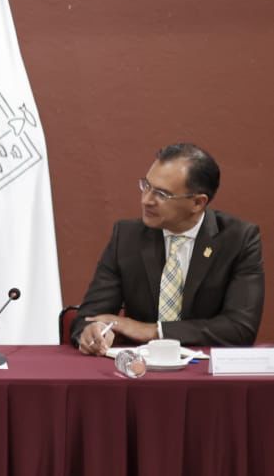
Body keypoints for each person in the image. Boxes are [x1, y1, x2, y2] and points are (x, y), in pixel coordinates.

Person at [73, 143, 264, 354]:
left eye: (162, 194)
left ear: (198, 203)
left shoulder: (238, 239)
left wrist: (154, 331)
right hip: (140, 366)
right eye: (146, 186)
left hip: (205, 366)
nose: (146, 200)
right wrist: (95, 330)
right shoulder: (127, 237)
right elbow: (88, 317)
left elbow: (240, 328)